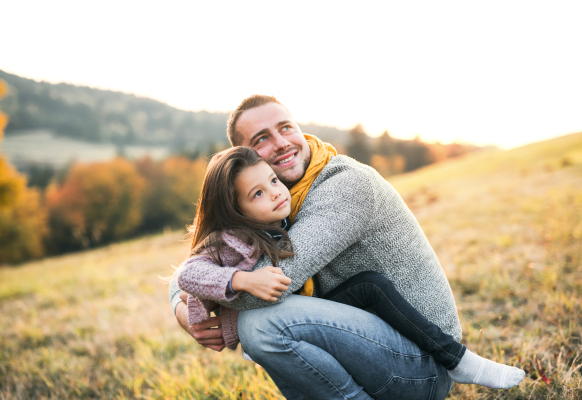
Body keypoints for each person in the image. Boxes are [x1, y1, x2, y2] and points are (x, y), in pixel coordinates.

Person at [169, 95, 523, 399]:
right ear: (246, 156)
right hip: (373, 348)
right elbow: (200, 261)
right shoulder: (272, 205)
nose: (281, 142)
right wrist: (182, 306)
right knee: (261, 319)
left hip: (425, 365)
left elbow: (267, 288)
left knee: (260, 325)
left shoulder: (345, 185)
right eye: (262, 138)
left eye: (286, 127)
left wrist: (207, 291)